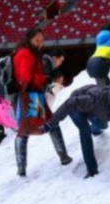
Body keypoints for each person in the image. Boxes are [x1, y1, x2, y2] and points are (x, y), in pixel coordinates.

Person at [12, 28, 72, 177]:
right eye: (37, 40)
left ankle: (22, 168)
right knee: (39, 126)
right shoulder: (26, 53)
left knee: (28, 128)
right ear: (29, 39)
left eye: (42, 40)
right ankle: (63, 157)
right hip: (32, 96)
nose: (40, 43)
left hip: (28, 95)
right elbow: (25, 77)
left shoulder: (23, 51)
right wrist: (44, 79)